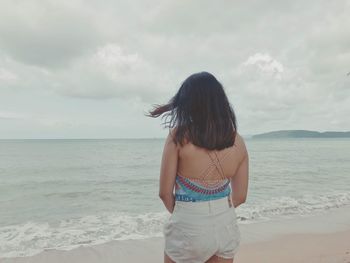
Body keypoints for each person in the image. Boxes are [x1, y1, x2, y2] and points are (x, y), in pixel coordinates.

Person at [146, 71, 249, 263]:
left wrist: (189, 215)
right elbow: (241, 196)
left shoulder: (179, 136)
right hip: (226, 223)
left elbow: (164, 193)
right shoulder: (238, 141)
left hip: (189, 224)